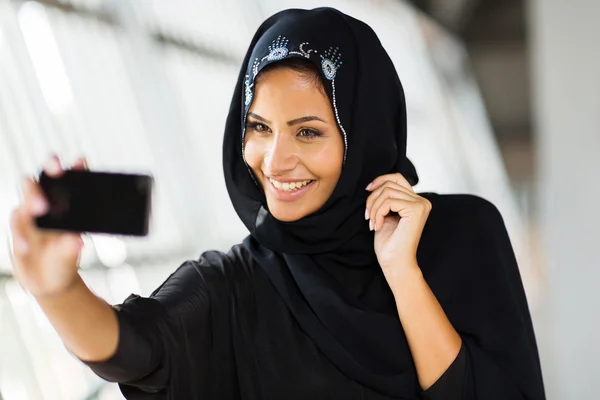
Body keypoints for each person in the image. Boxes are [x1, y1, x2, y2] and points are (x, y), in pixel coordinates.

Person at [9, 7, 546, 400]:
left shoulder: (463, 233)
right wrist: (56, 289)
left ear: (364, 138)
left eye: (308, 133)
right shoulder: (236, 284)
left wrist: (403, 274)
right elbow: (135, 347)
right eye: (259, 127)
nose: (274, 160)